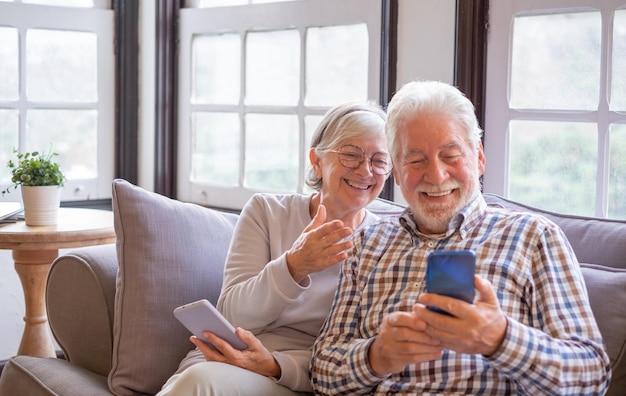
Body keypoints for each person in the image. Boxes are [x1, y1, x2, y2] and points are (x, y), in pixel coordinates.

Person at [310, 80, 612, 395]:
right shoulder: (367, 243)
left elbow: (591, 378)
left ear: (479, 157)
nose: (437, 175)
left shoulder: (534, 237)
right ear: (396, 173)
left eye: (451, 155)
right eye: (415, 160)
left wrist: (501, 339)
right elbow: (320, 373)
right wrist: (376, 356)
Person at [157, 101, 391, 395]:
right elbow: (232, 315)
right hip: (223, 357)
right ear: (316, 161)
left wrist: (274, 365)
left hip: (292, 378)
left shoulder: (386, 241)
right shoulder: (266, 211)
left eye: (379, 160)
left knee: (201, 382)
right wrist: (295, 265)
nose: (364, 170)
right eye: (350, 154)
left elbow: (361, 357)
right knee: (199, 379)